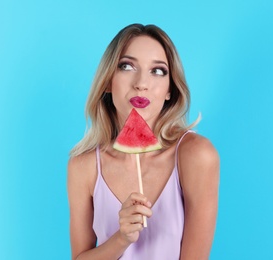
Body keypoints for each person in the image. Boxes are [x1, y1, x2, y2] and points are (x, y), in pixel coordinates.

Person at [67, 23, 220, 260]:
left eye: (158, 71)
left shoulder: (196, 155)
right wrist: (122, 238)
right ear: (108, 81)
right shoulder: (83, 165)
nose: (141, 83)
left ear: (170, 89)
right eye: (127, 66)